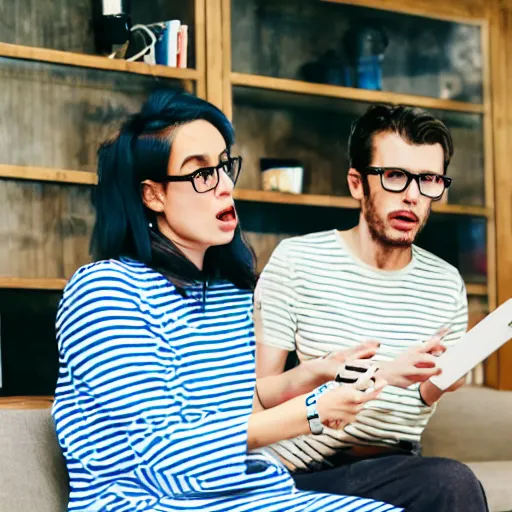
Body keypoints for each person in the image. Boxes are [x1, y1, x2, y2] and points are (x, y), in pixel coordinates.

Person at [51, 90, 405, 512]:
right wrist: (313, 411)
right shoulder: (105, 291)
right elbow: (158, 449)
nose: (224, 185)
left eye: (223, 165)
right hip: (147, 502)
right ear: (153, 195)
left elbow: (230, 407)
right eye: (200, 173)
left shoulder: (226, 293)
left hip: (241, 496)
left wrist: (313, 374)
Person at [255, 104, 488, 511]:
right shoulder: (296, 261)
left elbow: (421, 398)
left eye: (429, 180)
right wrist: (370, 373)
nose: (413, 196)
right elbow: (261, 394)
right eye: (396, 176)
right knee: (452, 483)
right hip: (298, 470)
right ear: (357, 183)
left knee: (451, 483)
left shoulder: (446, 283)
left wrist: (444, 379)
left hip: (394, 467)